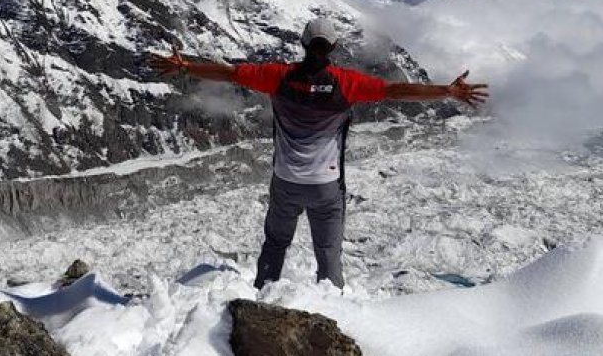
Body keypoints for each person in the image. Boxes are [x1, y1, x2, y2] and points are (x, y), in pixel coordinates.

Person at [150, 17, 488, 290]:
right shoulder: (346, 83)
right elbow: (396, 91)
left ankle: (262, 300)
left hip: (285, 181)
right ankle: (332, 313)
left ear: (302, 43)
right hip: (326, 186)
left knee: (275, 244)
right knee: (328, 254)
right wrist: (446, 91)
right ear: (334, 48)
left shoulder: (277, 77)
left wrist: (185, 67)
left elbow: (228, 73)